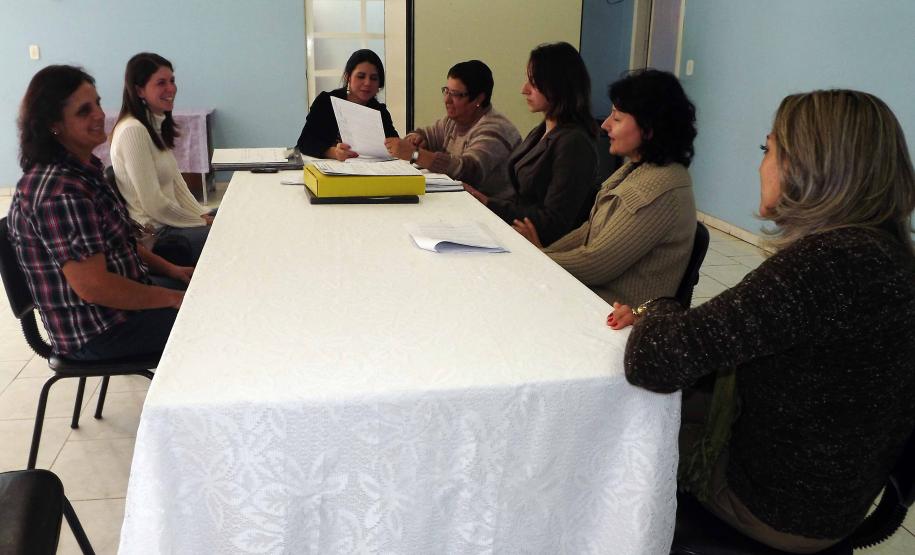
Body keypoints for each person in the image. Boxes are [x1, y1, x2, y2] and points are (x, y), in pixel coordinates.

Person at [610, 90, 915, 553]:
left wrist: (657, 308)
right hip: (834, 501)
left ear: (807, 166)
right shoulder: (890, 258)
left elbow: (652, 360)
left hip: (773, 509)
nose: (761, 166)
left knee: (619, 433)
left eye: (767, 150)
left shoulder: (822, 266)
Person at [7, 65, 190, 361]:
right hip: (98, 330)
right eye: (84, 111)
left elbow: (118, 243)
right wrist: (172, 298)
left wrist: (172, 270)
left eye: (97, 103)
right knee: (213, 320)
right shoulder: (60, 193)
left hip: (119, 308)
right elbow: (95, 287)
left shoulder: (82, 170)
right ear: (54, 125)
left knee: (209, 293)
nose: (99, 115)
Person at [516, 69, 697, 307]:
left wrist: (538, 257)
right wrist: (541, 252)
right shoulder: (637, 168)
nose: (605, 125)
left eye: (617, 118)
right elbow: (590, 231)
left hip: (607, 311)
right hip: (590, 295)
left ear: (649, 129)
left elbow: (597, 264)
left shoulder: (659, 191)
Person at [464, 42, 598, 247]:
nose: (524, 89)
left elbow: (554, 221)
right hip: (519, 235)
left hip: (545, 248)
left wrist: (489, 204)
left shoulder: (574, 143)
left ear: (557, 86)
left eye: (533, 83)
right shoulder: (541, 130)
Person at [110, 52, 212, 266]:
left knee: (235, 216)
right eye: (161, 83)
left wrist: (201, 214)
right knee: (234, 234)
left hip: (170, 225)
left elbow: (177, 185)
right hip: (158, 235)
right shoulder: (133, 131)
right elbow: (153, 203)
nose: (171, 88)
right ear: (139, 90)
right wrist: (199, 221)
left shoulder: (152, 126)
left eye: (172, 81)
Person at [384, 60, 520, 199]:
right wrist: (415, 138)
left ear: (478, 99)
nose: (447, 100)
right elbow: (425, 134)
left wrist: (415, 154)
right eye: (446, 91)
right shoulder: (454, 121)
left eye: (455, 94)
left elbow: (468, 172)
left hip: (492, 208)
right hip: (464, 200)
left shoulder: (495, 130)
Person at [296, 49, 399, 160]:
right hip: (328, 167)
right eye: (361, 76)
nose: (367, 83)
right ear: (348, 77)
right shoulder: (326, 101)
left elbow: (395, 146)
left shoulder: (380, 111)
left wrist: (407, 142)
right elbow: (305, 142)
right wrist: (333, 152)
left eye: (374, 78)